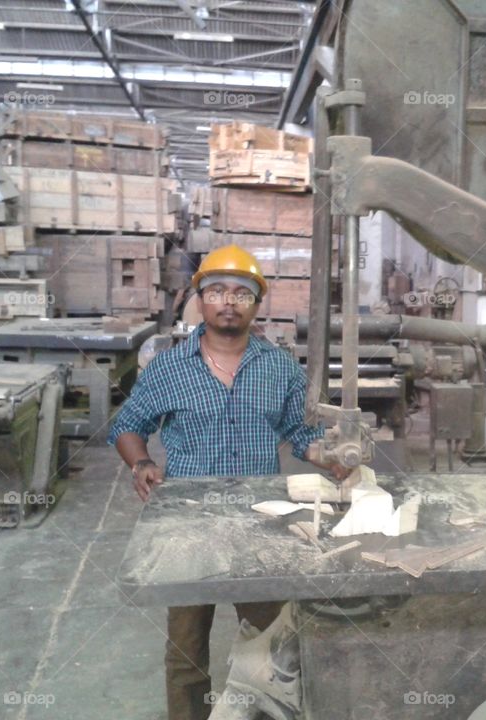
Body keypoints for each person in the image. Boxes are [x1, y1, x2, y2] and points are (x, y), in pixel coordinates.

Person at [108, 245, 349, 720]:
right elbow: (127, 425)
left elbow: (299, 432)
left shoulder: (279, 367)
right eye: (216, 290)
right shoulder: (169, 368)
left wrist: (327, 456)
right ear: (199, 298)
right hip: (188, 523)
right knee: (186, 647)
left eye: (242, 292)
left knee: (271, 642)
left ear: (257, 303)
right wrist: (140, 463)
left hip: (261, 522)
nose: (228, 301)